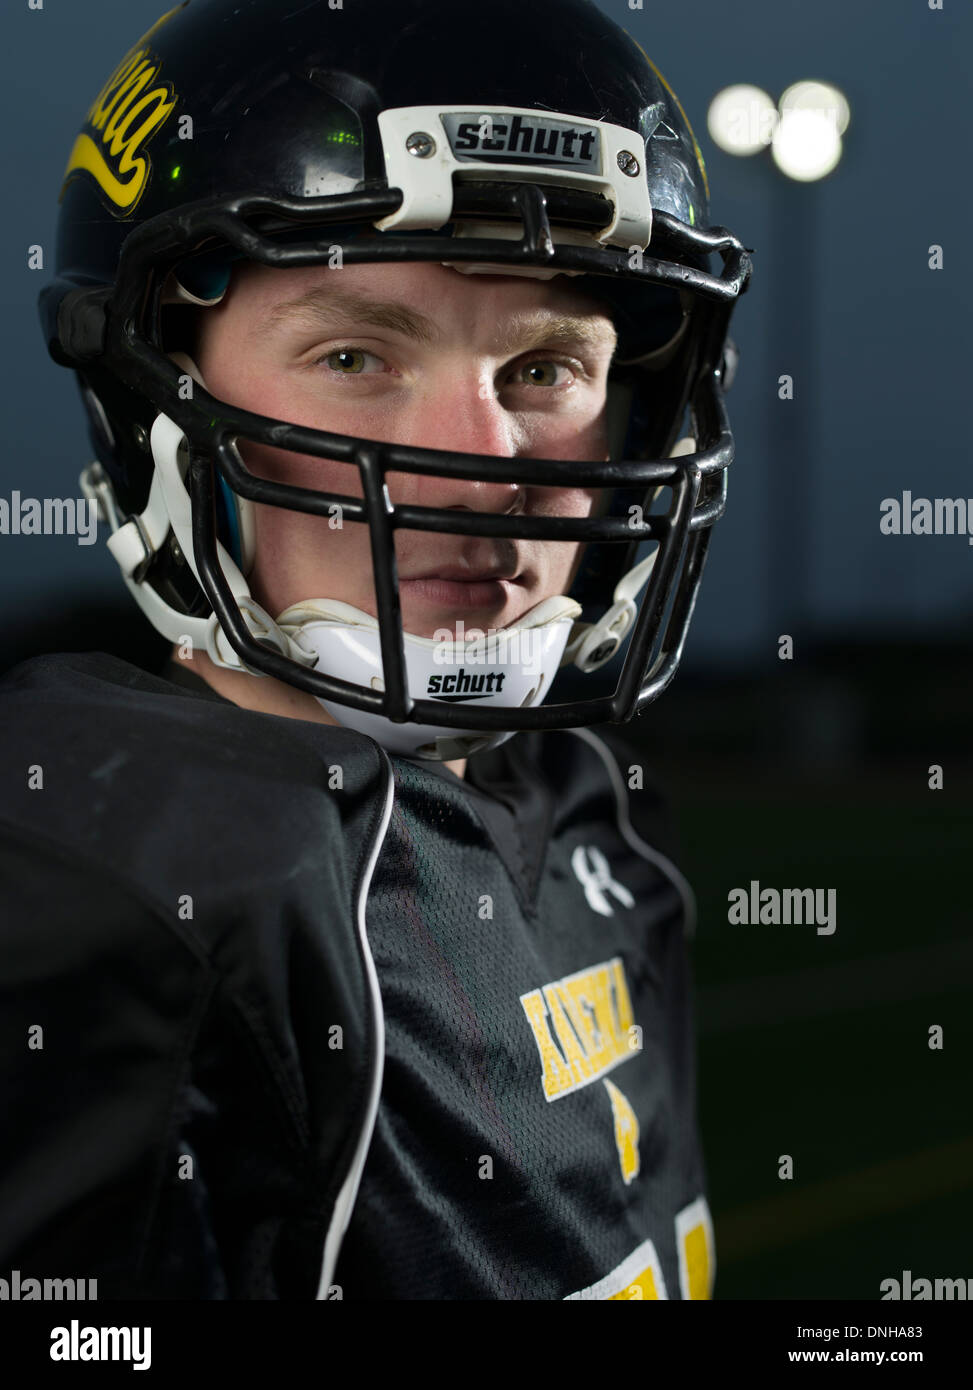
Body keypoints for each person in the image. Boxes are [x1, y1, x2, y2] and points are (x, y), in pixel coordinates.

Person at [0, 0, 751, 1299]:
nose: (475, 467)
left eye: (544, 369)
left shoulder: (592, 807)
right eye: (354, 353)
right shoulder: (114, 888)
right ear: (155, 406)